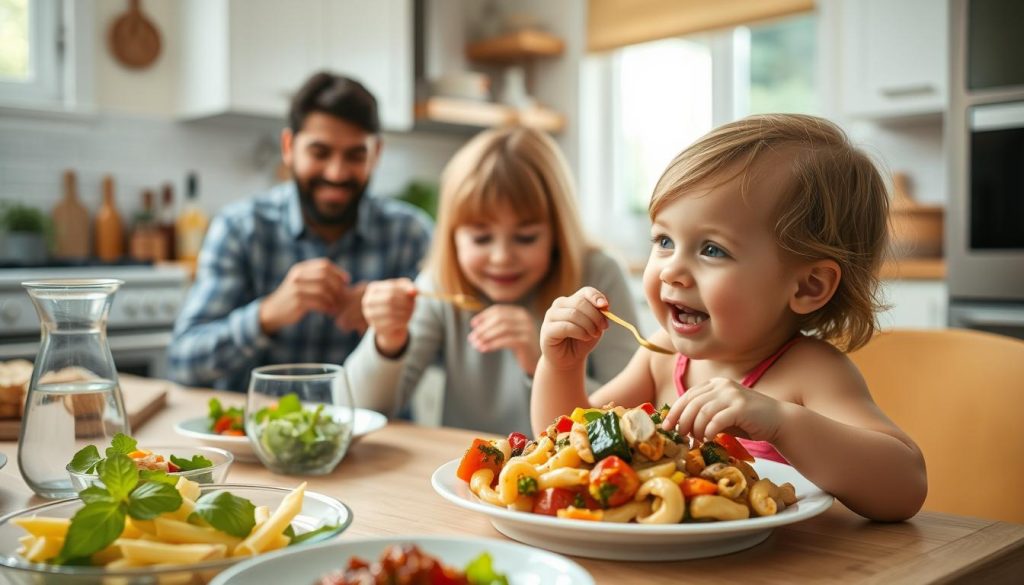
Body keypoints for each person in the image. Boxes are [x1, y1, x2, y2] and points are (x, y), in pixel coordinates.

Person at [531, 114, 928, 522]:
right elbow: (564, 448)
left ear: (808, 286)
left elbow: (904, 487)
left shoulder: (810, 372)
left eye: (712, 250)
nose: (671, 271)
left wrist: (781, 423)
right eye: (664, 241)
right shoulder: (662, 356)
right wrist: (562, 367)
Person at [346, 127, 638, 436]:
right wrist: (386, 342)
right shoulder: (443, 282)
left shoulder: (599, 277)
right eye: (481, 238)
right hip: (466, 475)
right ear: (453, 238)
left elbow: (632, 419)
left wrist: (544, 364)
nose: (501, 257)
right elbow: (356, 412)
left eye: (526, 237)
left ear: (557, 233)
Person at [168, 72, 433, 391]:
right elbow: (182, 362)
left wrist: (393, 327)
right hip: (255, 434)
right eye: (320, 153)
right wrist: (267, 315)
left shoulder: (410, 234)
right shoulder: (240, 227)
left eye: (355, 155)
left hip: (376, 434)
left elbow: (446, 359)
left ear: (376, 153)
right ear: (289, 147)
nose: (336, 173)